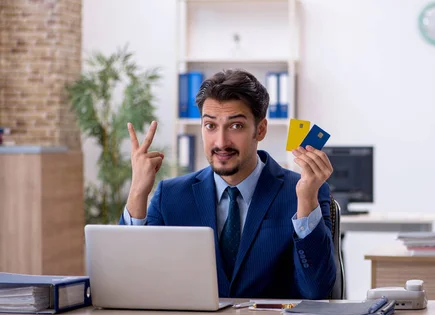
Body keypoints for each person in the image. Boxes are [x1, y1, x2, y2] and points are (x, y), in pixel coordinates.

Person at [120, 69, 336, 299]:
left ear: (260, 129)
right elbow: (131, 284)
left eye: (236, 126)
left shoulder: (305, 191)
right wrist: (137, 193)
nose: (221, 142)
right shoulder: (170, 196)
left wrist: (305, 202)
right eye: (210, 126)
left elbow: (317, 291)